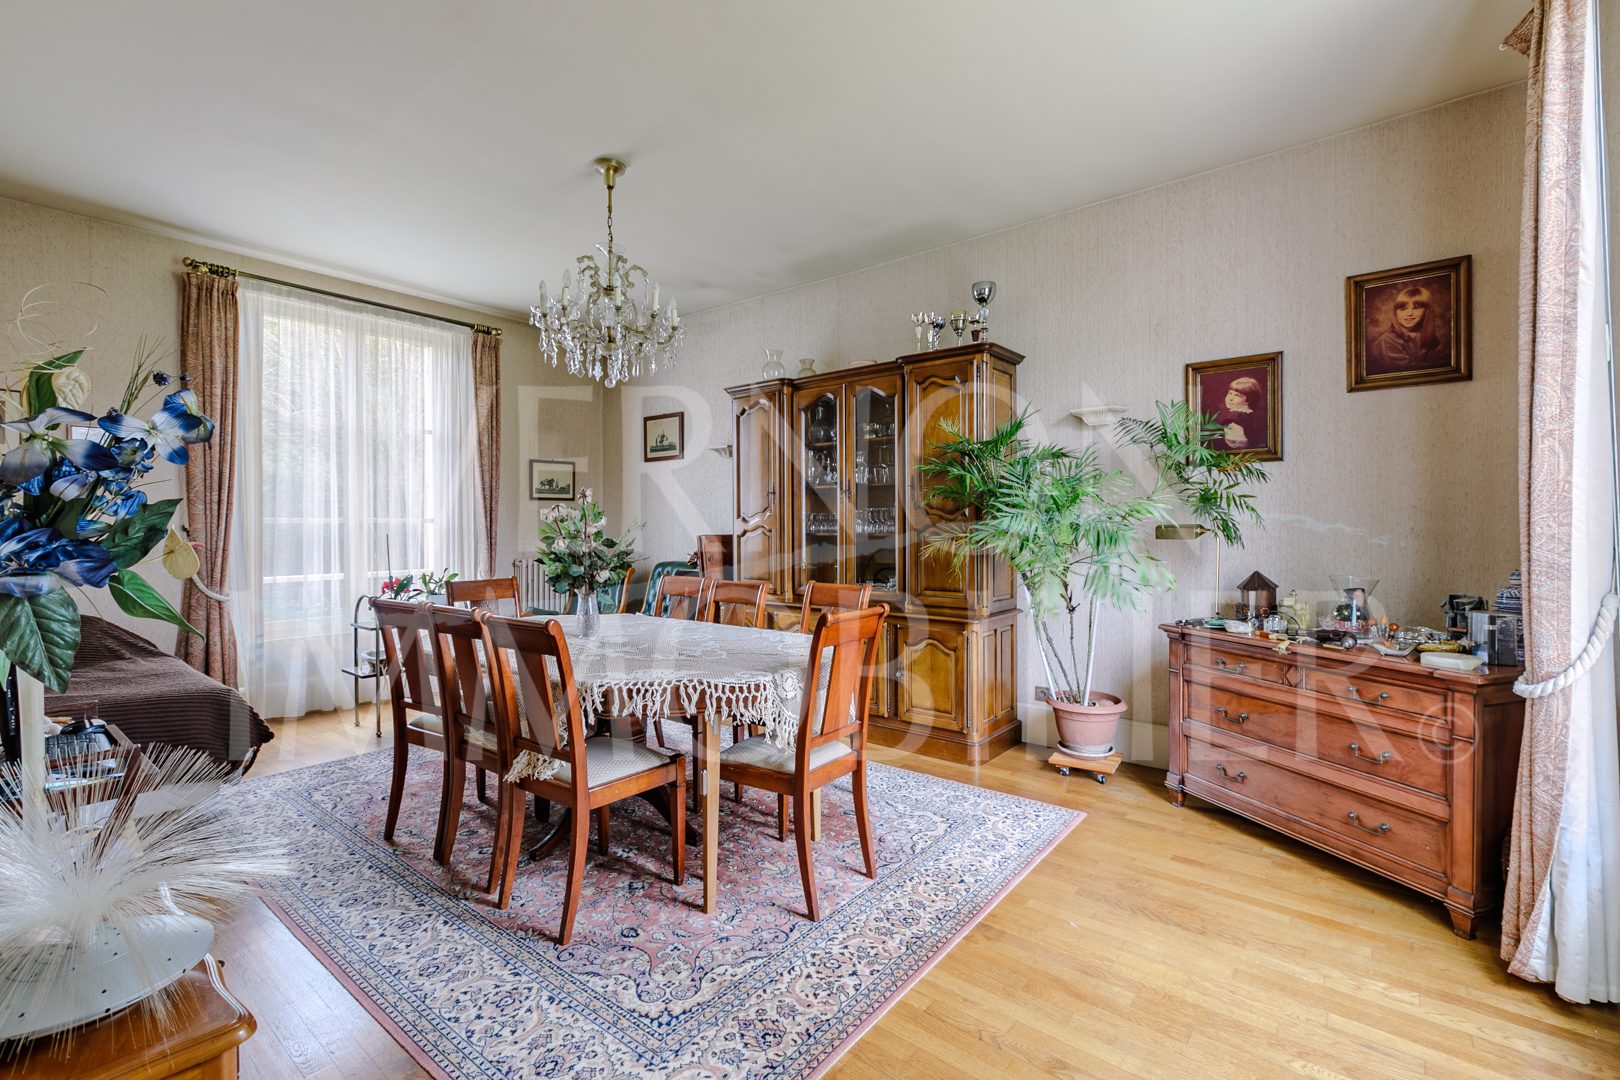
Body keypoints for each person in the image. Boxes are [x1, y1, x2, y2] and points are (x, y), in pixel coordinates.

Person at [1368, 285, 1448, 371]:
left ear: (1426, 312)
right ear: (1396, 312)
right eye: (1403, 309)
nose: (1409, 313)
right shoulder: (1388, 340)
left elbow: (1439, 356)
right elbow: (1401, 370)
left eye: (1416, 308)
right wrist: (1438, 365)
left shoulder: (1424, 334)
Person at [1213, 375, 1265, 452]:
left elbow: (1237, 443)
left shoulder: (1237, 416)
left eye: (1237, 395)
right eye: (1230, 393)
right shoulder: (1245, 413)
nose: (1230, 398)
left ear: (1248, 400)